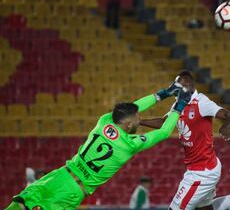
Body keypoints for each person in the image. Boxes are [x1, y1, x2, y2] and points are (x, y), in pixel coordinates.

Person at [5, 83, 192, 210]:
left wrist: (165, 92)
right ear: (128, 125)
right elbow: (164, 132)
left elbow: (131, 107)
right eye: (137, 119)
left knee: (21, 203)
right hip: (72, 191)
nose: (139, 120)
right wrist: (180, 103)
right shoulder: (130, 144)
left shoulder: (104, 121)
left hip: (60, 175)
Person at [140, 70, 230, 210]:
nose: (173, 87)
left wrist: (225, 127)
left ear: (188, 87)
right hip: (206, 166)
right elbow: (163, 122)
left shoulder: (201, 103)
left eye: (177, 84)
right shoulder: (178, 105)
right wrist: (139, 121)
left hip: (201, 173)